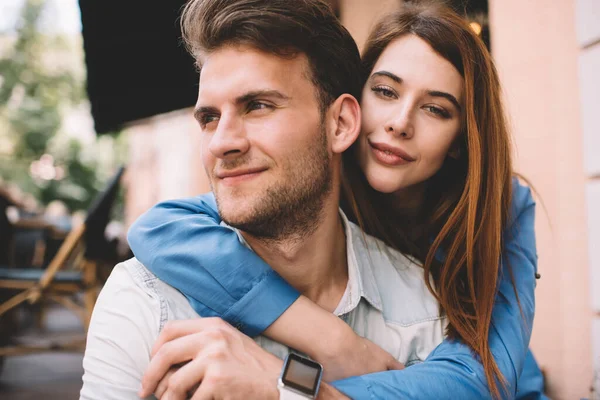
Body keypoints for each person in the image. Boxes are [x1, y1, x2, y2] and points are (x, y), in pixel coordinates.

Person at [84, 1, 544, 399]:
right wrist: (329, 340)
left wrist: (287, 385)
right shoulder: (146, 298)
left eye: (436, 108)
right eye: (385, 91)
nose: (399, 122)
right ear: (351, 115)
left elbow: (485, 378)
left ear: (462, 139)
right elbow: (158, 229)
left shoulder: (493, 218)